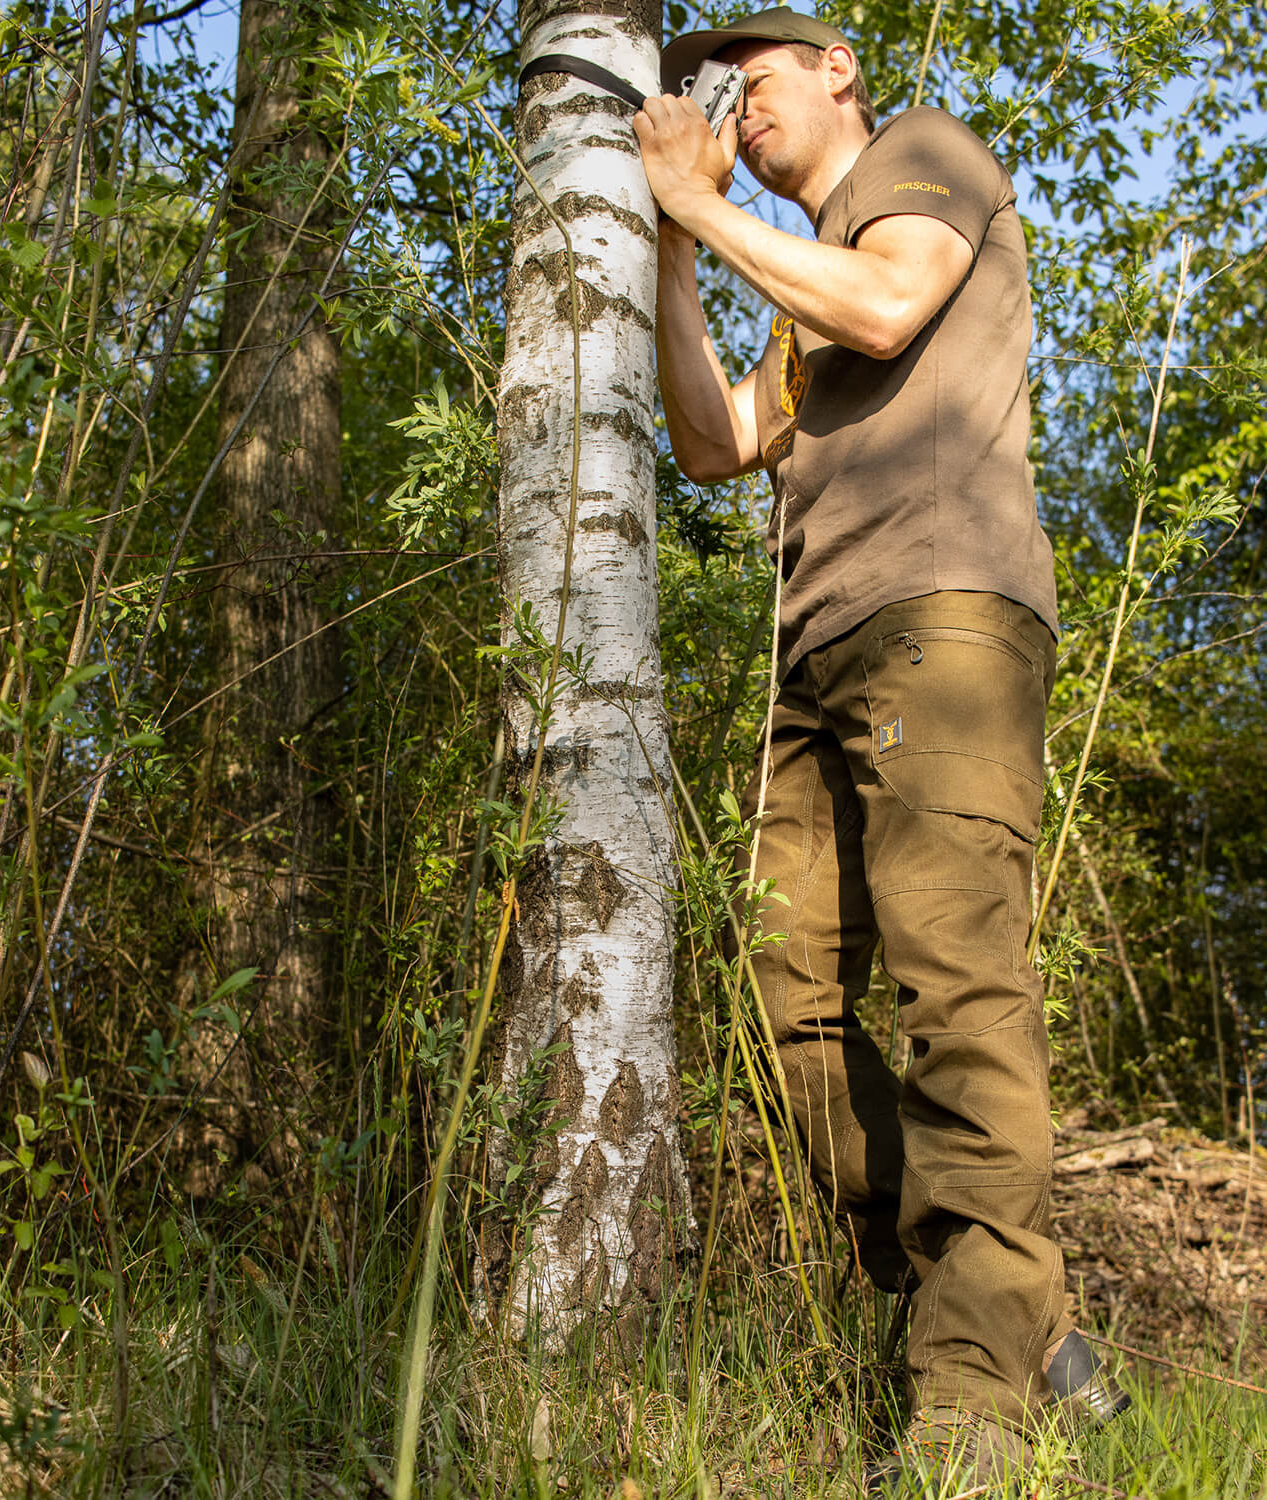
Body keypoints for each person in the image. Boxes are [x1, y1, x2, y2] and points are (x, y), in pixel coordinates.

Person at [632, 7, 1127, 1485]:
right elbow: (718, 444)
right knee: (788, 1006)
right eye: (704, 86)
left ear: (837, 67)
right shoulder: (792, 273)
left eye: (752, 70)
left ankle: (972, 1411)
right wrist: (675, 247)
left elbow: (888, 310)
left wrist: (700, 203)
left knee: (958, 995)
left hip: (939, 621)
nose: (729, 99)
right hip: (816, 662)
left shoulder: (924, 158)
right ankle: (1029, 1331)